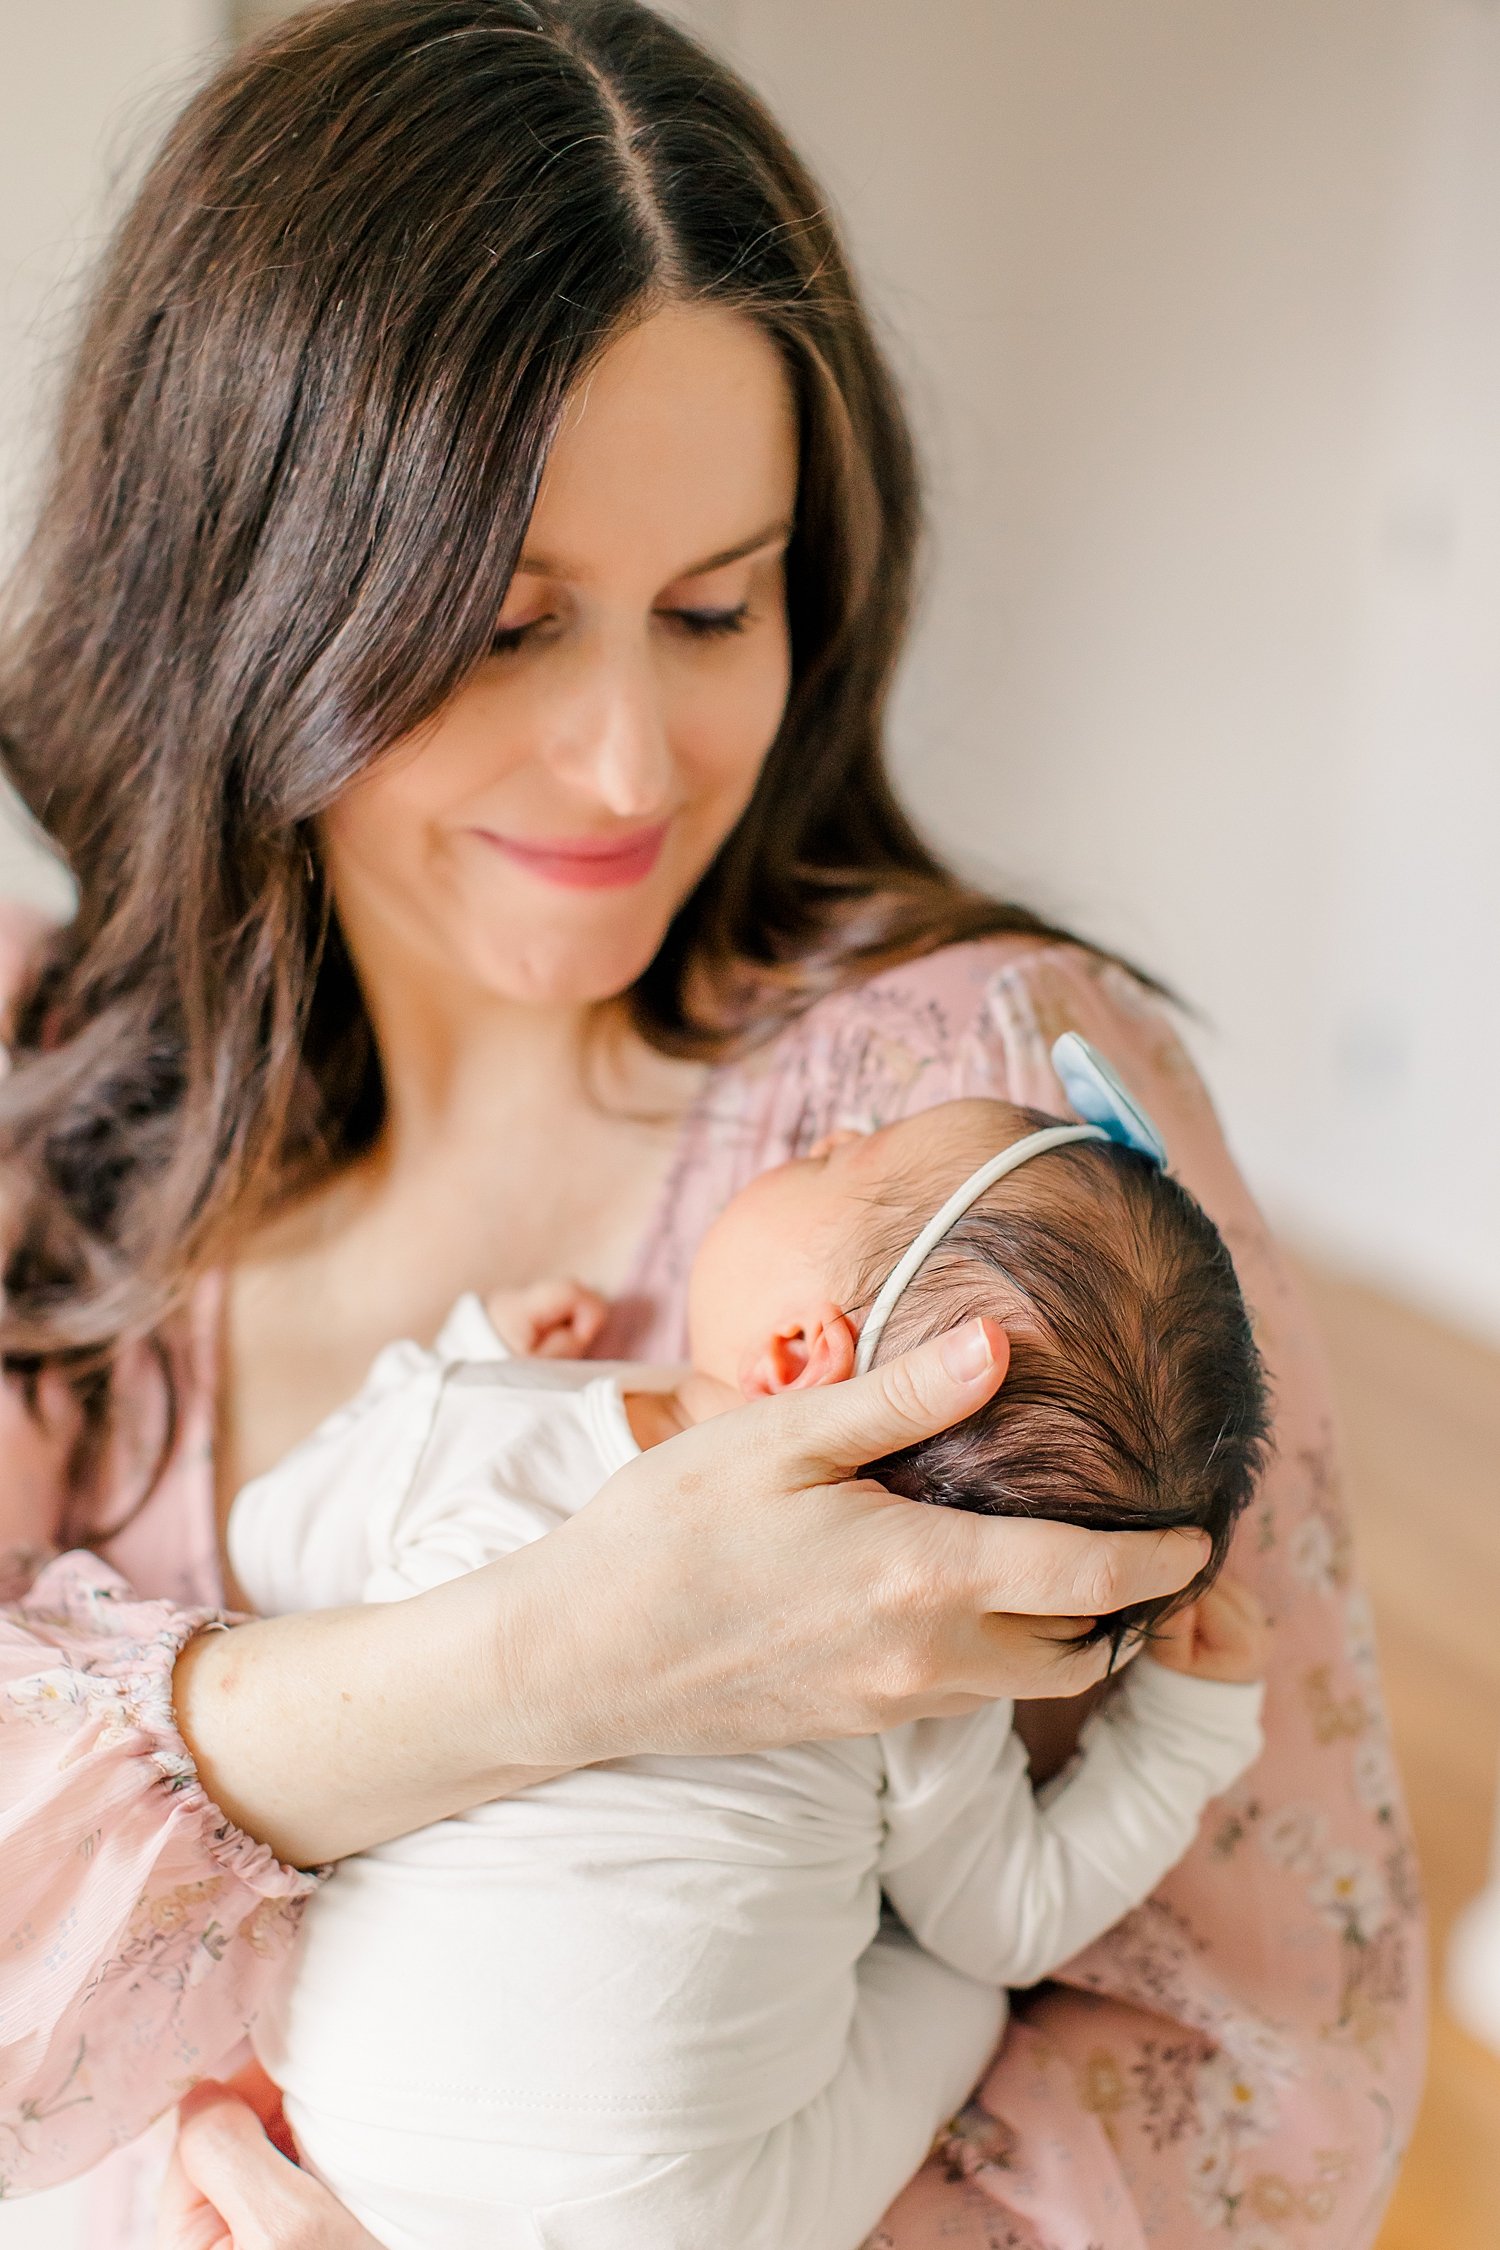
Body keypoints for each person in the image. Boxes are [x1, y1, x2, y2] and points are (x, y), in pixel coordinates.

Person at [0, 4, 1422, 2246]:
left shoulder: (988, 1124)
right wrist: (546, 1663)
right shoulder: (39, 1107)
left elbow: (1261, 2061)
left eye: (714, 607)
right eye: (498, 630)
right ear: (240, 598)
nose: (636, 769)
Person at [223, 1079, 1272, 2248]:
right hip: (686, 2215)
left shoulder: (485, 1426)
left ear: (792, 1353)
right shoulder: (917, 1653)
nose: (826, 1132)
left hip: (351, 2106)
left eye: (846, 1154)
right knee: (955, 1982)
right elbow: (1008, 1922)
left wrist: (449, 1374)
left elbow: (271, 1546)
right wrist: (1187, 1727)